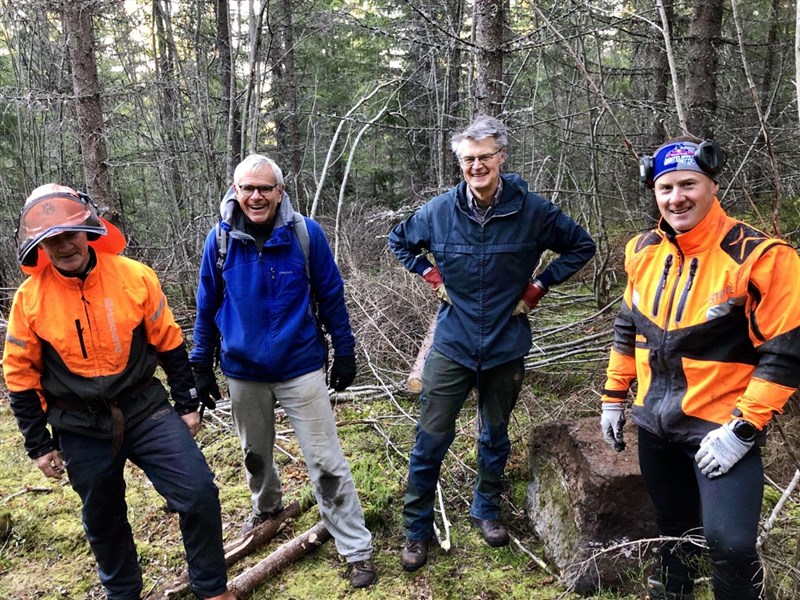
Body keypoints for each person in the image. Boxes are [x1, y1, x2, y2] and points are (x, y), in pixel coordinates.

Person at [2, 184, 234, 600]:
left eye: (69, 235)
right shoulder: (29, 300)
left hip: (144, 406)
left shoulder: (134, 276)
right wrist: (38, 445)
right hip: (77, 421)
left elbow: (169, 342)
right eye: (51, 240)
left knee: (198, 491)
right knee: (103, 518)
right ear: (39, 246)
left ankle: (212, 589)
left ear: (90, 230)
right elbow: (20, 376)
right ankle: (123, 593)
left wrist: (187, 403)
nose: (63, 246)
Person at [388, 115, 596, 571]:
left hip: (506, 341)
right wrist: (430, 274)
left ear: (501, 157)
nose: (476, 166)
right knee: (429, 440)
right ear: (459, 163)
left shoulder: (533, 211)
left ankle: (486, 510)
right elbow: (399, 241)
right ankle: (416, 529)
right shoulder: (440, 211)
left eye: (484, 157)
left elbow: (581, 246)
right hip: (454, 343)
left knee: (494, 435)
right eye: (468, 159)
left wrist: (539, 286)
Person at [600, 137, 800, 599]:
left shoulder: (762, 256)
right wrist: (614, 397)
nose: (677, 197)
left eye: (688, 183)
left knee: (729, 543)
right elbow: (628, 327)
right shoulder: (642, 251)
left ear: (712, 184)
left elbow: (787, 352)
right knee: (673, 530)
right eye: (666, 187)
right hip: (655, 423)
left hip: (720, 428)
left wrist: (744, 429)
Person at [190, 154, 376, 589]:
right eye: (248, 188)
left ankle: (356, 547)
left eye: (265, 188)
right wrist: (200, 362)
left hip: (300, 366)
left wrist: (344, 351)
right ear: (236, 191)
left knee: (327, 462)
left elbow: (331, 296)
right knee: (255, 456)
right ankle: (268, 508)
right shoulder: (219, 241)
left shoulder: (306, 235)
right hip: (242, 370)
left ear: (280, 192)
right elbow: (206, 307)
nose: (256, 196)